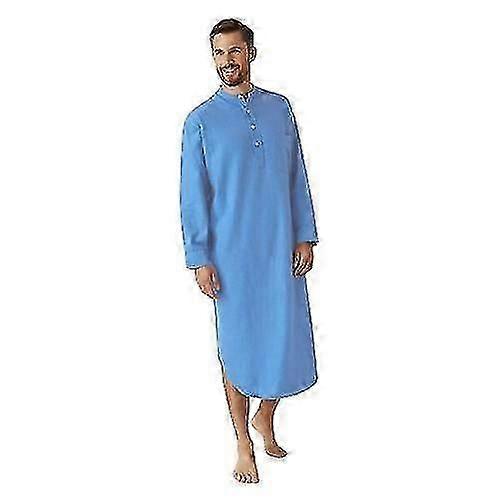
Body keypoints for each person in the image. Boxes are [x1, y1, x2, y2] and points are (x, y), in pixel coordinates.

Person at [179, 18, 319, 484]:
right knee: (237, 345)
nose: (227, 61)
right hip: (231, 256)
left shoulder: (279, 109)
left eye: (235, 51)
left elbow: (297, 174)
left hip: (280, 247)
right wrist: (200, 256)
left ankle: (265, 417)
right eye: (219, 53)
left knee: (283, 337)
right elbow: (193, 195)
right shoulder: (200, 122)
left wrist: (304, 233)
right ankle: (243, 441)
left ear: (251, 53)